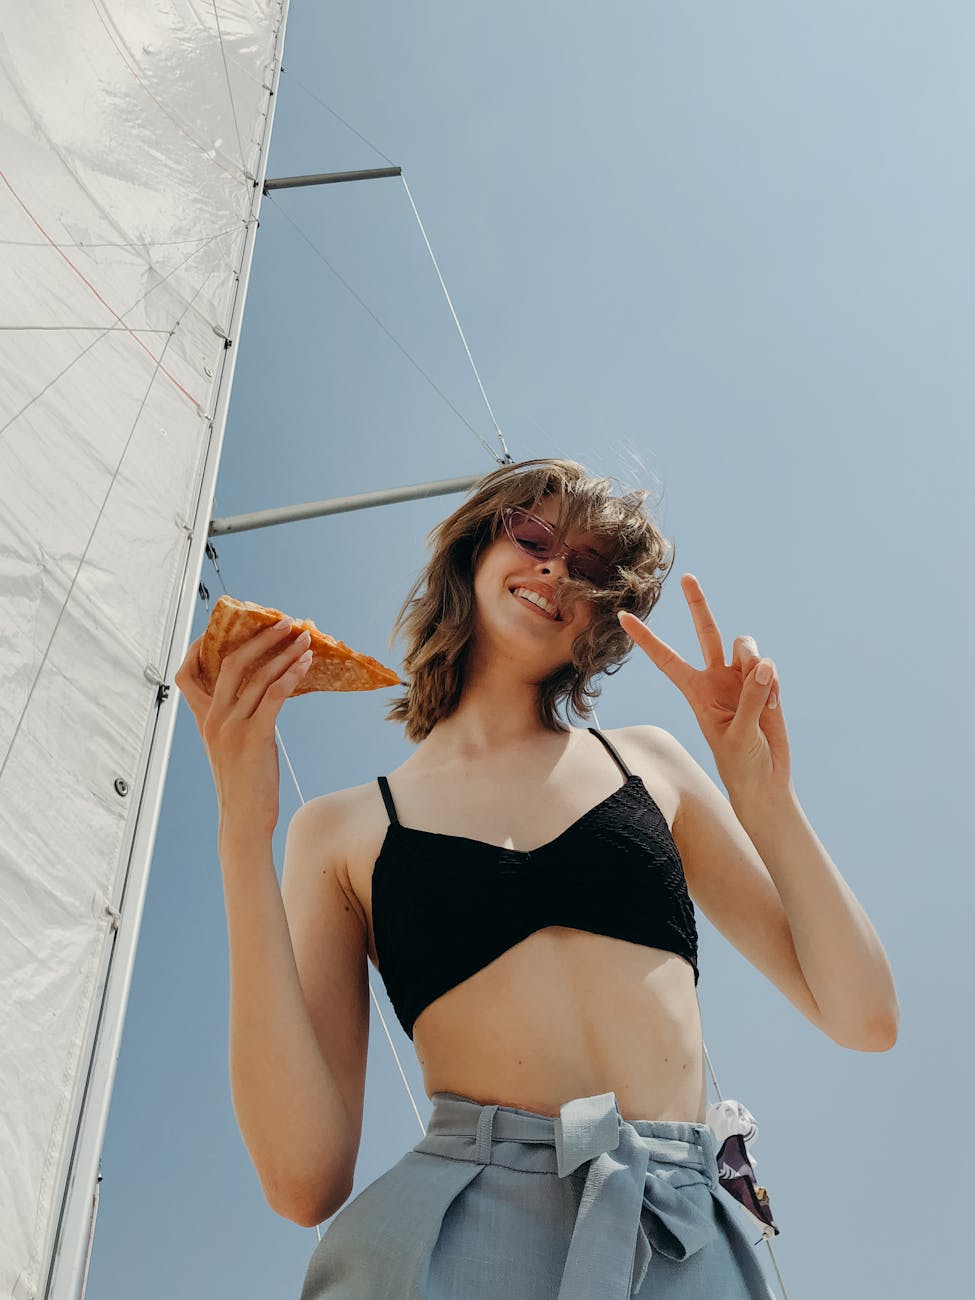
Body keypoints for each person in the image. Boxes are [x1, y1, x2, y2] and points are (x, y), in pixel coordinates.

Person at [176, 458, 898, 1299]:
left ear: (604, 613)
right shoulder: (340, 829)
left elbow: (865, 1018)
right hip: (455, 1233)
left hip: (676, 1226)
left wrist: (764, 798)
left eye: (590, 567)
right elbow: (304, 1183)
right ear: (476, 550)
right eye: (535, 536)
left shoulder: (647, 764)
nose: (557, 568)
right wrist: (240, 828)